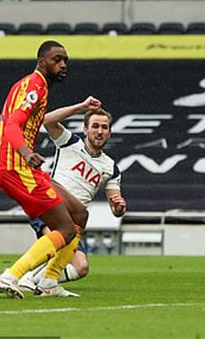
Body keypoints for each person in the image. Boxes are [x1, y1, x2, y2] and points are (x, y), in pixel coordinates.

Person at [0, 40, 89, 299]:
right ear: (42, 62)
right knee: (64, 229)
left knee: (79, 214)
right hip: (18, 168)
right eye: (57, 59)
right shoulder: (34, 86)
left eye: (65, 61)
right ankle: (10, 276)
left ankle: (49, 281)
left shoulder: (28, 87)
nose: (63, 65)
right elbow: (12, 126)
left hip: (17, 167)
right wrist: (26, 152)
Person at [17, 102, 126, 293]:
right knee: (56, 243)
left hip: (74, 221)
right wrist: (82, 107)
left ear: (109, 132)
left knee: (81, 267)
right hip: (50, 206)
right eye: (95, 126)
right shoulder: (70, 143)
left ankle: (37, 281)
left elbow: (116, 206)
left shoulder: (111, 167)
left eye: (104, 127)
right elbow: (47, 120)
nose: (99, 131)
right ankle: (18, 276)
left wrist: (119, 207)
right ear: (85, 129)